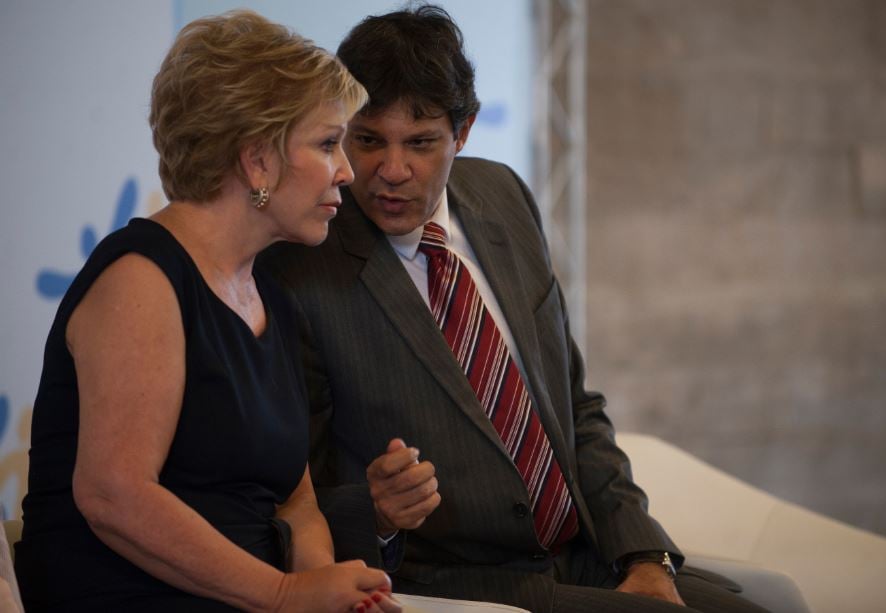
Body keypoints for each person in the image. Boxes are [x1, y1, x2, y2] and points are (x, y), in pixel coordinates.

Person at [258, 5, 776, 613]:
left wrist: (643, 555)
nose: (390, 172)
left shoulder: (501, 194)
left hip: (584, 555)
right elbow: (293, 493)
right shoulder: (301, 265)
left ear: (464, 132)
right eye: (368, 140)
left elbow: (575, 407)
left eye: (420, 143)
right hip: (462, 585)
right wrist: (373, 510)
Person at [15, 10, 402, 613]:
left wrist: (328, 592)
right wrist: (283, 594)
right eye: (328, 144)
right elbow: (115, 495)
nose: (347, 172)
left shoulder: (268, 292)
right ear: (257, 161)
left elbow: (296, 505)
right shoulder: (140, 279)